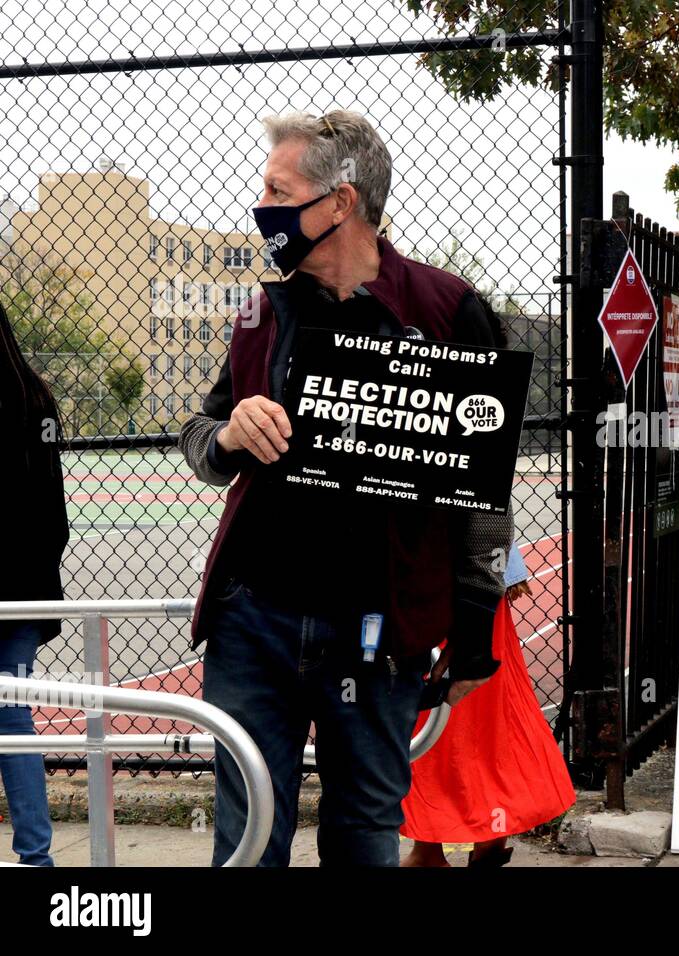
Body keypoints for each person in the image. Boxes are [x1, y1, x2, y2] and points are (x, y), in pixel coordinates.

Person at [179, 111, 513, 866]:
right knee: (247, 836)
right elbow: (200, 440)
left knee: (365, 834)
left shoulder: (446, 310)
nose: (259, 204)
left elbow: (484, 498)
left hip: (378, 630)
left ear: (340, 202)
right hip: (255, 621)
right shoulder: (261, 310)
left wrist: (470, 626)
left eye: (276, 189)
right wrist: (231, 432)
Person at [400, 540, 575, 866]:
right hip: (474, 582)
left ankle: (431, 850)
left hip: (436, 580)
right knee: (485, 716)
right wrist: (506, 567)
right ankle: (485, 845)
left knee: (434, 716)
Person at [0, 303, 68, 867]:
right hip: (24, 588)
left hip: (19, 583)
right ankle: (35, 856)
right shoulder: (33, 396)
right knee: (12, 716)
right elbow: (55, 517)